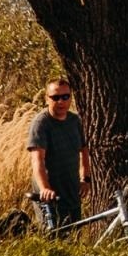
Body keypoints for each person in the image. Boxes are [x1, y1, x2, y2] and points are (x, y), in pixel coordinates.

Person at [28, 77, 91, 228]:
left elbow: (84, 150)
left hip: (72, 191)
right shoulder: (41, 124)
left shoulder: (75, 121)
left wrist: (86, 179)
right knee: (52, 239)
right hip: (50, 195)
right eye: (55, 97)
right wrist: (44, 188)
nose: (61, 101)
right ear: (46, 99)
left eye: (65, 96)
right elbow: (38, 160)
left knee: (74, 235)